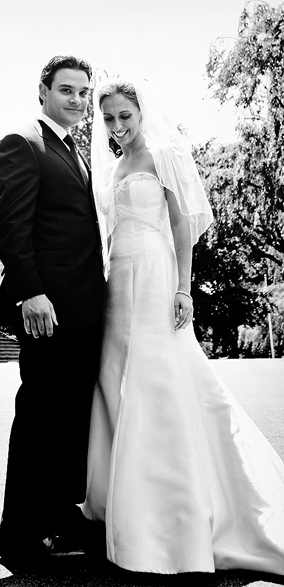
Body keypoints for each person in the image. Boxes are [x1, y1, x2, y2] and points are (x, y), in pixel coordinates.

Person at [82, 79, 284, 575]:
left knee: (159, 381)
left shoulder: (162, 155)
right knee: (116, 381)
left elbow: (181, 228)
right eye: (108, 118)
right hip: (117, 280)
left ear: (140, 111)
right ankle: (118, 501)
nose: (118, 126)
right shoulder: (112, 167)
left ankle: (174, 512)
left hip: (154, 274)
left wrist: (183, 288)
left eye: (124, 115)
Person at [0, 55, 106, 568]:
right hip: (48, 310)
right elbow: (11, 228)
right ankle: (18, 541)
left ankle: (58, 522)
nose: (77, 100)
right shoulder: (22, 143)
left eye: (84, 92)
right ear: (43, 89)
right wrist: (31, 292)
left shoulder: (75, 150)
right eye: (67, 90)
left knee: (69, 423)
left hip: (84, 310)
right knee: (38, 422)